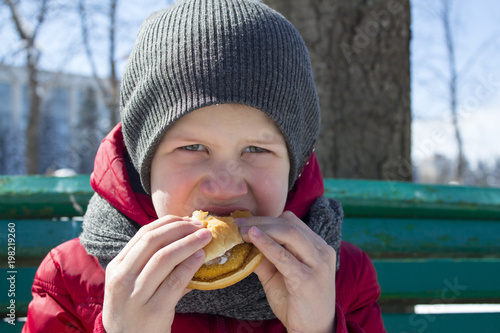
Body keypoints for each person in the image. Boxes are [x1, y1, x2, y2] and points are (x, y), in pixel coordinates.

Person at [23, 0, 386, 332]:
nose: (225, 186)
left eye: (256, 149)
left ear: (295, 163)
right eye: (193, 147)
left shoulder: (340, 277)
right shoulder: (71, 279)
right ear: (145, 161)